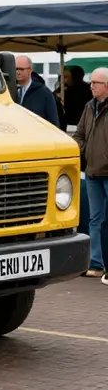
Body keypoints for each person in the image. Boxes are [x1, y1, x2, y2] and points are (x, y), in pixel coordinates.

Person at [71, 67, 108, 280]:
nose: (92, 85)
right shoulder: (89, 107)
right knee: (95, 219)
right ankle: (96, 263)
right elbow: (79, 134)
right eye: (91, 81)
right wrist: (82, 150)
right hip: (93, 172)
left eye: (97, 82)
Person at [15, 55, 59, 127]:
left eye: (21, 69)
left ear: (30, 70)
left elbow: (53, 122)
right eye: (16, 69)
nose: (18, 72)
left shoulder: (44, 93)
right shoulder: (7, 90)